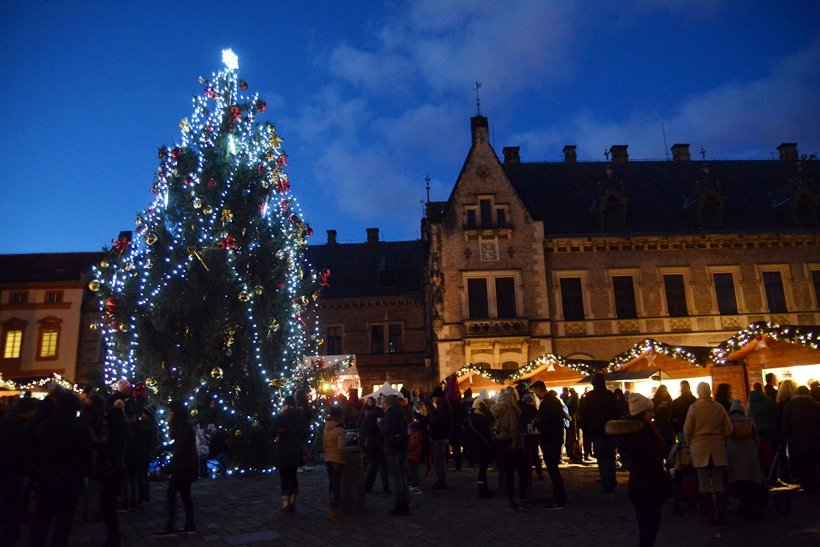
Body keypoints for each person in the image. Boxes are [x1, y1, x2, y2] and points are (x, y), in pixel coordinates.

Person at [29, 388, 92, 547]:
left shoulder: (44, 426)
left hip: (47, 478)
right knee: (63, 522)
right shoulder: (78, 427)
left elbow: (35, 451)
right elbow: (86, 451)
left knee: (42, 518)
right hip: (70, 479)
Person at [607, 393, 670, 547]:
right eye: (649, 411)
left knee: (647, 527)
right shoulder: (641, 435)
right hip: (646, 486)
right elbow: (650, 462)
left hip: (640, 486)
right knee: (649, 526)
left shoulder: (638, 432)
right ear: (642, 413)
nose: (652, 414)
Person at [683, 382, 732, 525]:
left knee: (703, 481)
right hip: (717, 447)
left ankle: (709, 512)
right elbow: (728, 429)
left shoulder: (694, 408)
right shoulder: (718, 407)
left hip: (699, 448)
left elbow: (687, 429)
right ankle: (721, 511)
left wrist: (690, 442)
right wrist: (721, 439)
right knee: (718, 481)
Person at [0, 397, 38, 546]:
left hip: (8, 473)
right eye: (33, 411)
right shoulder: (17, 429)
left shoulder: (7, 422)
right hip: (12, 475)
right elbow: (17, 455)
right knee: (10, 508)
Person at [157, 400, 198, 536]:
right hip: (187, 465)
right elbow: (179, 445)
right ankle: (189, 525)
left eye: (170, 412)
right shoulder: (184, 426)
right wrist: (165, 447)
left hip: (184, 467)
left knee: (173, 493)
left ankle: (171, 526)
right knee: (184, 495)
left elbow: (180, 449)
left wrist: (169, 467)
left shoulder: (183, 427)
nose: (168, 415)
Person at [726, 400, 767, 519]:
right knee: (752, 479)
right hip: (750, 453)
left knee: (738, 480)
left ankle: (745, 505)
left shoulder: (728, 421)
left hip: (733, 452)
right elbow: (757, 440)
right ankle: (757, 506)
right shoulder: (749, 421)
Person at [532, 382, 568, 509]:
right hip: (556, 438)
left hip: (550, 440)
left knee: (553, 470)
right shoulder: (554, 401)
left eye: (535, 391)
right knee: (554, 470)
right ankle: (560, 496)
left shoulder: (546, 404)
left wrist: (537, 424)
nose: (535, 394)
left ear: (539, 390)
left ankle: (559, 499)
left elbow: (546, 423)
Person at [491, 391, 530, 510]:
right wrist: (515, 443)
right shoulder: (510, 409)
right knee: (523, 472)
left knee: (509, 473)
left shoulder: (496, 409)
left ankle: (511, 499)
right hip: (512, 444)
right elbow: (514, 428)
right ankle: (522, 499)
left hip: (502, 443)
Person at [98, 399, 128, 547]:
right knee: (109, 505)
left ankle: (113, 538)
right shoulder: (122, 427)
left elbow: (112, 451)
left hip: (112, 469)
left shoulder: (113, 433)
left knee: (108, 505)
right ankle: (113, 537)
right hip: (116, 469)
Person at [781, 385, 820, 494]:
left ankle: (806, 484)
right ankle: (815, 483)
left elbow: (785, 424)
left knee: (802, 462)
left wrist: (786, 438)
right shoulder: (816, 405)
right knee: (813, 462)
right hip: (814, 439)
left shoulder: (789, 406)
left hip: (797, 439)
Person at [584, 373, 620, 492]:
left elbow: (585, 414)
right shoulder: (610, 395)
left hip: (597, 431)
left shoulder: (590, 396)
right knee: (610, 456)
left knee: (602, 457)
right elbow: (616, 413)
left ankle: (606, 481)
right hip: (610, 430)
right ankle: (612, 479)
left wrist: (587, 430)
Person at [272, 396, 306, 513]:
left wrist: (279, 432)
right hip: (295, 450)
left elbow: (272, 432)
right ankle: (292, 502)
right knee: (293, 476)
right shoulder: (299, 417)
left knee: (284, 477)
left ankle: (286, 503)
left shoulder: (281, 417)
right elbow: (305, 432)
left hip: (283, 450)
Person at [382, 395, 410, 516]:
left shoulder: (390, 414)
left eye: (384, 403)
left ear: (388, 404)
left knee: (397, 478)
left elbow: (386, 431)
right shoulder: (401, 412)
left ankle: (399, 505)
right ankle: (405, 504)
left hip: (393, 448)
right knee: (403, 477)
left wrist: (380, 425)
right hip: (402, 447)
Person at [359, 397, 390, 494]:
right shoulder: (379, 415)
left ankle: (367, 486)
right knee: (382, 465)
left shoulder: (370, 415)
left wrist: (362, 444)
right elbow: (383, 430)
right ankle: (385, 487)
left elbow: (363, 430)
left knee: (373, 465)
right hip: (377, 444)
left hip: (370, 444)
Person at [468, 394, 496, 499]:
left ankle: (484, 488)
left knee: (483, 468)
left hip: (477, 445)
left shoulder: (472, 415)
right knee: (482, 469)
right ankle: (483, 490)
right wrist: (486, 410)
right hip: (481, 445)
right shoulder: (478, 416)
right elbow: (491, 419)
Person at [322, 405, 347, 520]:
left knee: (332, 484)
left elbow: (323, 445)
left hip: (328, 458)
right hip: (337, 459)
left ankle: (332, 506)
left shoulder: (326, 428)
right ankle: (336, 509)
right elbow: (341, 446)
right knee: (337, 484)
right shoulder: (339, 429)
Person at [429, 385, 452, 490]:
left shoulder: (442, 407)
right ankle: (441, 479)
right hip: (441, 435)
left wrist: (430, 424)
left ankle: (441, 480)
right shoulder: (442, 405)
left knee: (439, 460)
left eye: (434, 397)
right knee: (439, 459)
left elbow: (439, 421)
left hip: (440, 436)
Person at [519, 393, 543, 480]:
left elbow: (521, 422)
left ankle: (528, 474)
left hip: (526, 434)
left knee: (527, 455)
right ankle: (539, 472)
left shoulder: (523, 410)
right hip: (534, 434)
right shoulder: (535, 410)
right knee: (535, 454)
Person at [406, 401, 428, 494]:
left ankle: (414, 485)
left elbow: (414, 440)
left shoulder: (417, 425)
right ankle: (414, 484)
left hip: (415, 449)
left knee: (413, 468)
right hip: (420, 447)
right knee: (413, 468)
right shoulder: (425, 419)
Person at [651, 385, 675, 451]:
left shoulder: (670, 400)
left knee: (670, 446)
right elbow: (652, 414)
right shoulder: (654, 401)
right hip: (659, 426)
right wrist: (659, 407)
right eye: (662, 391)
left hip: (668, 426)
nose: (664, 393)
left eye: (665, 391)